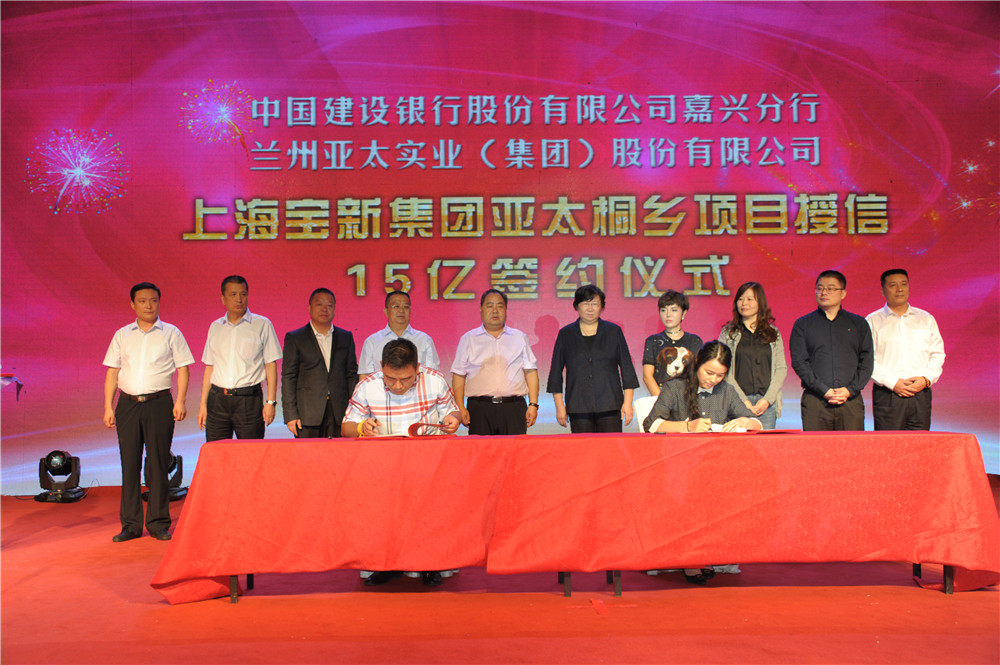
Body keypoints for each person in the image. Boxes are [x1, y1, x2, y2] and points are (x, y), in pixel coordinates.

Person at [341, 338, 461, 588]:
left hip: (428, 462)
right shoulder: (367, 386)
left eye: (406, 379)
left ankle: (430, 565)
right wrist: (362, 427)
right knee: (385, 518)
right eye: (390, 378)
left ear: (417, 368)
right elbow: (346, 427)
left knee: (428, 515)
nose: (397, 385)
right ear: (382, 366)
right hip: (384, 464)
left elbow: (453, 411)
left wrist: (453, 419)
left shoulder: (435, 380)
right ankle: (386, 566)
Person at [642, 341, 761, 585]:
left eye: (720, 375)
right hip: (679, 464)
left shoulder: (726, 391)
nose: (713, 380)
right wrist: (687, 426)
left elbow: (756, 423)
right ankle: (691, 559)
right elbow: (651, 424)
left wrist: (745, 422)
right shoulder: (675, 387)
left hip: (715, 464)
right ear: (697, 363)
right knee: (691, 493)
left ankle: (713, 552)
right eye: (709, 372)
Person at [103, 282, 194, 542]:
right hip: (128, 405)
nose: (148, 305)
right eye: (142, 301)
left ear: (159, 302)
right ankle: (130, 525)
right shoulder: (122, 334)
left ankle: (158, 523)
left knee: (158, 464)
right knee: (129, 464)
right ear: (133, 304)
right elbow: (112, 372)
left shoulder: (171, 333)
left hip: (159, 403)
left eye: (153, 300)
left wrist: (180, 401)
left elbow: (183, 369)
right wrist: (108, 406)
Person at [198, 275, 282, 441]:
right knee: (217, 451)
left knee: (250, 452)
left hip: (248, 400)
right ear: (223, 299)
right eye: (233, 294)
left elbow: (270, 365)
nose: (239, 299)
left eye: (243, 294)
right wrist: (203, 404)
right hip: (217, 400)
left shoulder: (262, 324)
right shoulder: (216, 327)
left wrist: (271, 402)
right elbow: (210, 367)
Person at [547, 284, 639, 432]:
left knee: (611, 445)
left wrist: (627, 404)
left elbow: (627, 368)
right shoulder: (566, 334)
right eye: (585, 303)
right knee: (584, 446)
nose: (590, 309)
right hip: (578, 406)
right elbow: (555, 373)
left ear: (602, 307)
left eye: (595, 304)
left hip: (610, 404)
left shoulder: (613, 331)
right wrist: (559, 406)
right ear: (576, 306)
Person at [789, 270, 873, 431]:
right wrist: (824, 391)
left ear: (843, 293)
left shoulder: (859, 324)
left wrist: (849, 390)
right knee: (816, 446)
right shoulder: (803, 324)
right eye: (820, 288)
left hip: (850, 401)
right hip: (816, 401)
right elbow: (799, 362)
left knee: (851, 446)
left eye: (831, 288)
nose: (824, 292)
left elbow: (867, 362)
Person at [451, 289, 540, 435]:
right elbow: (459, 375)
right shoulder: (468, 339)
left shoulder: (519, 337)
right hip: (479, 408)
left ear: (506, 310)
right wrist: (460, 407)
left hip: (513, 408)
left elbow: (530, 371)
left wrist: (533, 404)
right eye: (489, 306)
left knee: (514, 449)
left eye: (500, 306)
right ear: (481, 309)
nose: (495, 311)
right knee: (481, 449)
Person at [865, 269, 945, 430]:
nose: (899, 289)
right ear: (882, 290)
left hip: (920, 392)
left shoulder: (926, 319)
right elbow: (866, 360)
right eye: (893, 285)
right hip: (888, 394)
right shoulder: (872, 321)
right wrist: (892, 383)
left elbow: (937, 353)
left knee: (920, 442)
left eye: (904, 284)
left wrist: (926, 379)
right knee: (889, 443)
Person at [281, 288, 358, 438]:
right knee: (308, 453)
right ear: (309, 308)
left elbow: (351, 375)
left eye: (329, 305)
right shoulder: (295, 338)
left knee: (338, 452)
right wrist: (290, 414)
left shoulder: (345, 337)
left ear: (334, 308)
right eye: (319, 304)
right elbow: (288, 377)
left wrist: (354, 411)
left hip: (339, 412)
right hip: (307, 414)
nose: (324, 309)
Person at [718, 282, 788, 429]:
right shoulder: (728, 333)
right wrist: (743, 401)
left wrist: (767, 400)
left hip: (766, 405)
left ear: (760, 302)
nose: (744, 303)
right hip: (737, 402)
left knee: (765, 443)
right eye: (740, 299)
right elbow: (723, 370)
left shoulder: (773, 333)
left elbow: (781, 369)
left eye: (750, 299)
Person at [357, 290, 440, 380]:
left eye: (406, 306)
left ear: (410, 311)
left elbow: (433, 375)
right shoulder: (372, 341)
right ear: (386, 311)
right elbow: (365, 376)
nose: (401, 310)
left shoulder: (424, 339)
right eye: (396, 306)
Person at [641, 290, 703, 395]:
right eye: (663, 310)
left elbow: (698, 374)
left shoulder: (694, 341)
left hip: (687, 398)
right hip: (660, 397)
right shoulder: (653, 341)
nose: (668, 315)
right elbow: (647, 376)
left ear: (684, 312)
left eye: (674, 310)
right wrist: (662, 400)